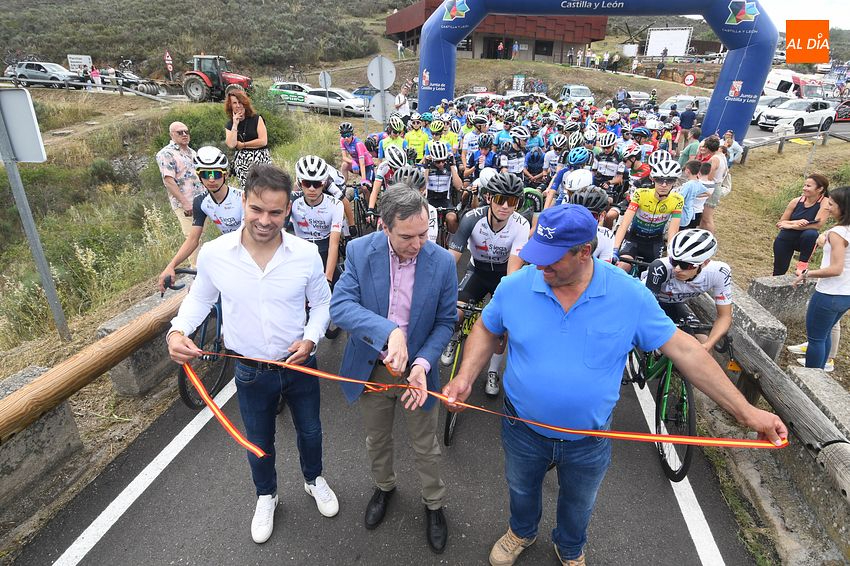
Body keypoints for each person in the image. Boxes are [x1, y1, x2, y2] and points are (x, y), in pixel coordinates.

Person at [442, 204, 787, 566]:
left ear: (584, 252)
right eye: (536, 257)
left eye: (551, 260)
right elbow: (486, 327)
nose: (540, 267)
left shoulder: (628, 296)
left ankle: (570, 547)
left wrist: (747, 413)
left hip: (589, 439)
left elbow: (687, 351)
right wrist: (466, 377)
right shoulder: (515, 286)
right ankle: (522, 531)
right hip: (522, 428)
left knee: (579, 502)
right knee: (521, 489)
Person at [166, 163, 339, 545]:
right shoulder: (214, 254)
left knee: (310, 430)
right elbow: (199, 300)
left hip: (299, 364)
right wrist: (177, 331)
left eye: (275, 212)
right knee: (259, 440)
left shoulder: (306, 253)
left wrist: (311, 339)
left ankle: (314, 479)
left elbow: (323, 305)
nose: (265, 220)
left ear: (288, 210)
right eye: (257, 209)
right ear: (243, 201)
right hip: (248, 370)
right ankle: (266, 495)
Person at [330, 187, 456, 554]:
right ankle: (384, 487)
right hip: (373, 366)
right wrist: (389, 333)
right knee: (377, 437)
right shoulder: (358, 251)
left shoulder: (443, 262)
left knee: (425, 444)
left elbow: (446, 322)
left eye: (424, 234)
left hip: (418, 370)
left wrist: (420, 361)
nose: (418, 244)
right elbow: (341, 306)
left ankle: (434, 503)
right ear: (384, 226)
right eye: (407, 236)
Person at [443, 173, 530, 395]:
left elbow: (512, 272)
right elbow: (451, 258)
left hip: (502, 275)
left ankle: (492, 371)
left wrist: (504, 303)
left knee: (501, 329)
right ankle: (454, 337)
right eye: (500, 199)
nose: (505, 206)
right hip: (477, 271)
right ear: (489, 197)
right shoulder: (472, 218)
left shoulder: (521, 224)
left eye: (512, 202)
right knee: (456, 314)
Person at [157, 147, 243, 292]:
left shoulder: (243, 198)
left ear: (226, 174)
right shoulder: (200, 202)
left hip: (249, 249)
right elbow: (192, 240)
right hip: (230, 252)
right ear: (198, 175)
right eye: (205, 174)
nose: (211, 179)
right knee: (196, 290)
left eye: (216, 174)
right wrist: (170, 266)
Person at [645, 229, 733, 350]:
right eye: (674, 261)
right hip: (651, 304)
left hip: (675, 304)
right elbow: (647, 309)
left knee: (704, 349)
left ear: (705, 263)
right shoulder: (660, 268)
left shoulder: (719, 272)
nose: (677, 269)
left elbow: (724, 316)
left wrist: (708, 345)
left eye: (686, 265)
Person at [793, 186, 850, 370]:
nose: (827, 207)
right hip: (845, 294)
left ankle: (810, 378)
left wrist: (807, 274)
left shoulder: (838, 233)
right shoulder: (842, 231)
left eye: (831, 204)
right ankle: (820, 370)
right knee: (824, 335)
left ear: (843, 207)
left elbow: (836, 268)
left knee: (816, 339)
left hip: (829, 293)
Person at [614, 158, 684, 271]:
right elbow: (624, 225)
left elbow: (673, 231)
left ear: (674, 182)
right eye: (660, 180)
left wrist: (671, 255)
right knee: (622, 267)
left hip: (655, 243)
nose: (664, 185)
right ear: (653, 179)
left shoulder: (678, 200)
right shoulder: (641, 193)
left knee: (653, 274)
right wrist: (615, 248)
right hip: (633, 238)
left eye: (669, 180)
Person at [155, 122, 206, 267]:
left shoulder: (192, 152)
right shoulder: (166, 154)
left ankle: (207, 268)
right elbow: (168, 180)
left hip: (201, 200)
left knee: (202, 235)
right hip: (186, 203)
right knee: (192, 237)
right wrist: (184, 202)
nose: (184, 134)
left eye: (186, 132)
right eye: (180, 132)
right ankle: (197, 272)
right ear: (172, 135)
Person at [773, 174, 830, 276]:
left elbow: (818, 224)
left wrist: (792, 226)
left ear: (820, 189)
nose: (804, 188)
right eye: (804, 185)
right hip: (787, 237)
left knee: (811, 234)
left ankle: (802, 265)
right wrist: (796, 222)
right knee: (779, 270)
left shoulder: (825, 202)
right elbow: (781, 223)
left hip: (805, 240)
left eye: (808, 186)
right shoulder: (796, 201)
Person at [224, 88, 271, 190]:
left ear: (245, 103)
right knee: (248, 191)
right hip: (243, 163)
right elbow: (231, 144)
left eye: (240, 102)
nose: (238, 105)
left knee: (265, 189)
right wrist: (235, 124)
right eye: (234, 103)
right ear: (230, 105)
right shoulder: (230, 125)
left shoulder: (256, 119)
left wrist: (243, 145)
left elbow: (263, 141)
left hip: (260, 158)